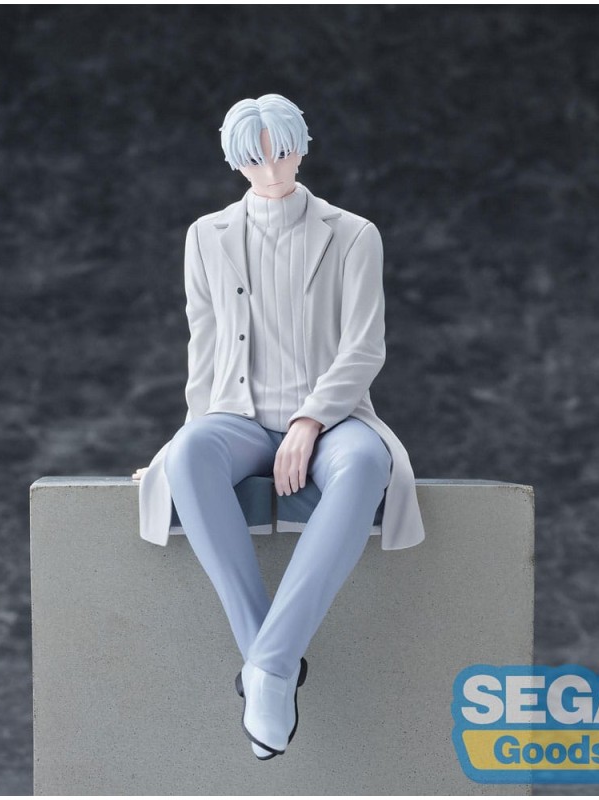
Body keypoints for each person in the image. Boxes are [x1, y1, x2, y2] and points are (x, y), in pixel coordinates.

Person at [133, 94, 425, 760]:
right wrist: (180, 441)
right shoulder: (205, 236)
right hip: (235, 417)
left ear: (302, 146)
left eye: (283, 152)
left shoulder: (354, 234)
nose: (271, 170)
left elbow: (365, 347)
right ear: (235, 162)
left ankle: (265, 669)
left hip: (333, 418)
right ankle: (273, 666)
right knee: (191, 454)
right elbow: (204, 346)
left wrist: (309, 420)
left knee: (366, 464)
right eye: (255, 159)